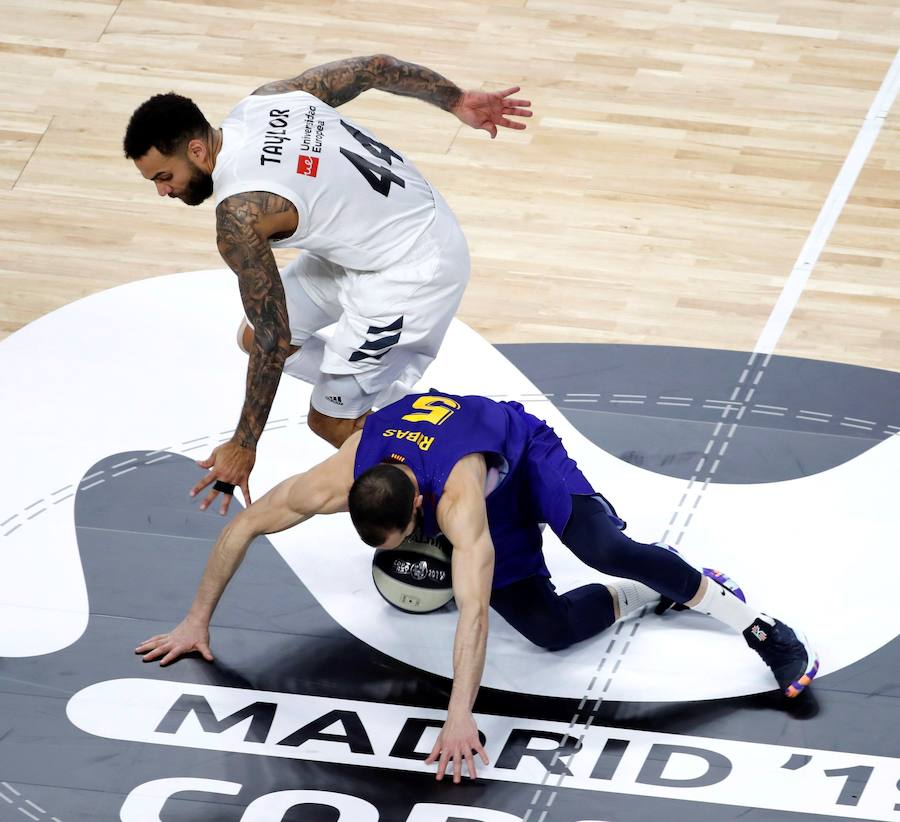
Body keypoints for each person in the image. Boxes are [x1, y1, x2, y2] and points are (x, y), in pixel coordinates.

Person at [136, 390, 818, 784]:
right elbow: (243, 526)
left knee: (605, 549)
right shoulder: (338, 476)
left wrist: (459, 716)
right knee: (549, 630)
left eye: (408, 535)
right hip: (465, 473)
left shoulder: (458, 504)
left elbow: (473, 617)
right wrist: (196, 620)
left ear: (418, 508)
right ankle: (648, 596)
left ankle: (759, 627)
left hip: (523, 457)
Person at [123, 55, 532, 515]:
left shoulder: (239, 215)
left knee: (329, 419)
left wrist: (244, 444)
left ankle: (452, 503)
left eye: (165, 177)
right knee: (252, 336)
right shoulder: (267, 101)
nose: (163, 191)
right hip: (376, 235)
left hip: (413, 265)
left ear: (197, 151)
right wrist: (455, 99)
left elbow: (277, 338)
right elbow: (376, 68)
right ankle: (388, 403)